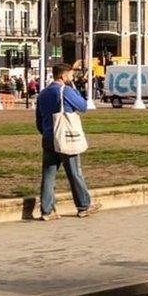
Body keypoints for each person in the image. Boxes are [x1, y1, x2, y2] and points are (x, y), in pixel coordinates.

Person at [34, 64, 96, 220]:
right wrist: (74, 88)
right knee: (74, 172)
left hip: (48, 137)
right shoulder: (66, 91)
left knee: (48, 175)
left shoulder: (43, 94)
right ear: (63, 76)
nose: (72, 78)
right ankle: (83, 206)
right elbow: (82, 106)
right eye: (70, 75)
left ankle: (47, 210)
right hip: (65, 137)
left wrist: (46, 132)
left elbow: (39, 120)